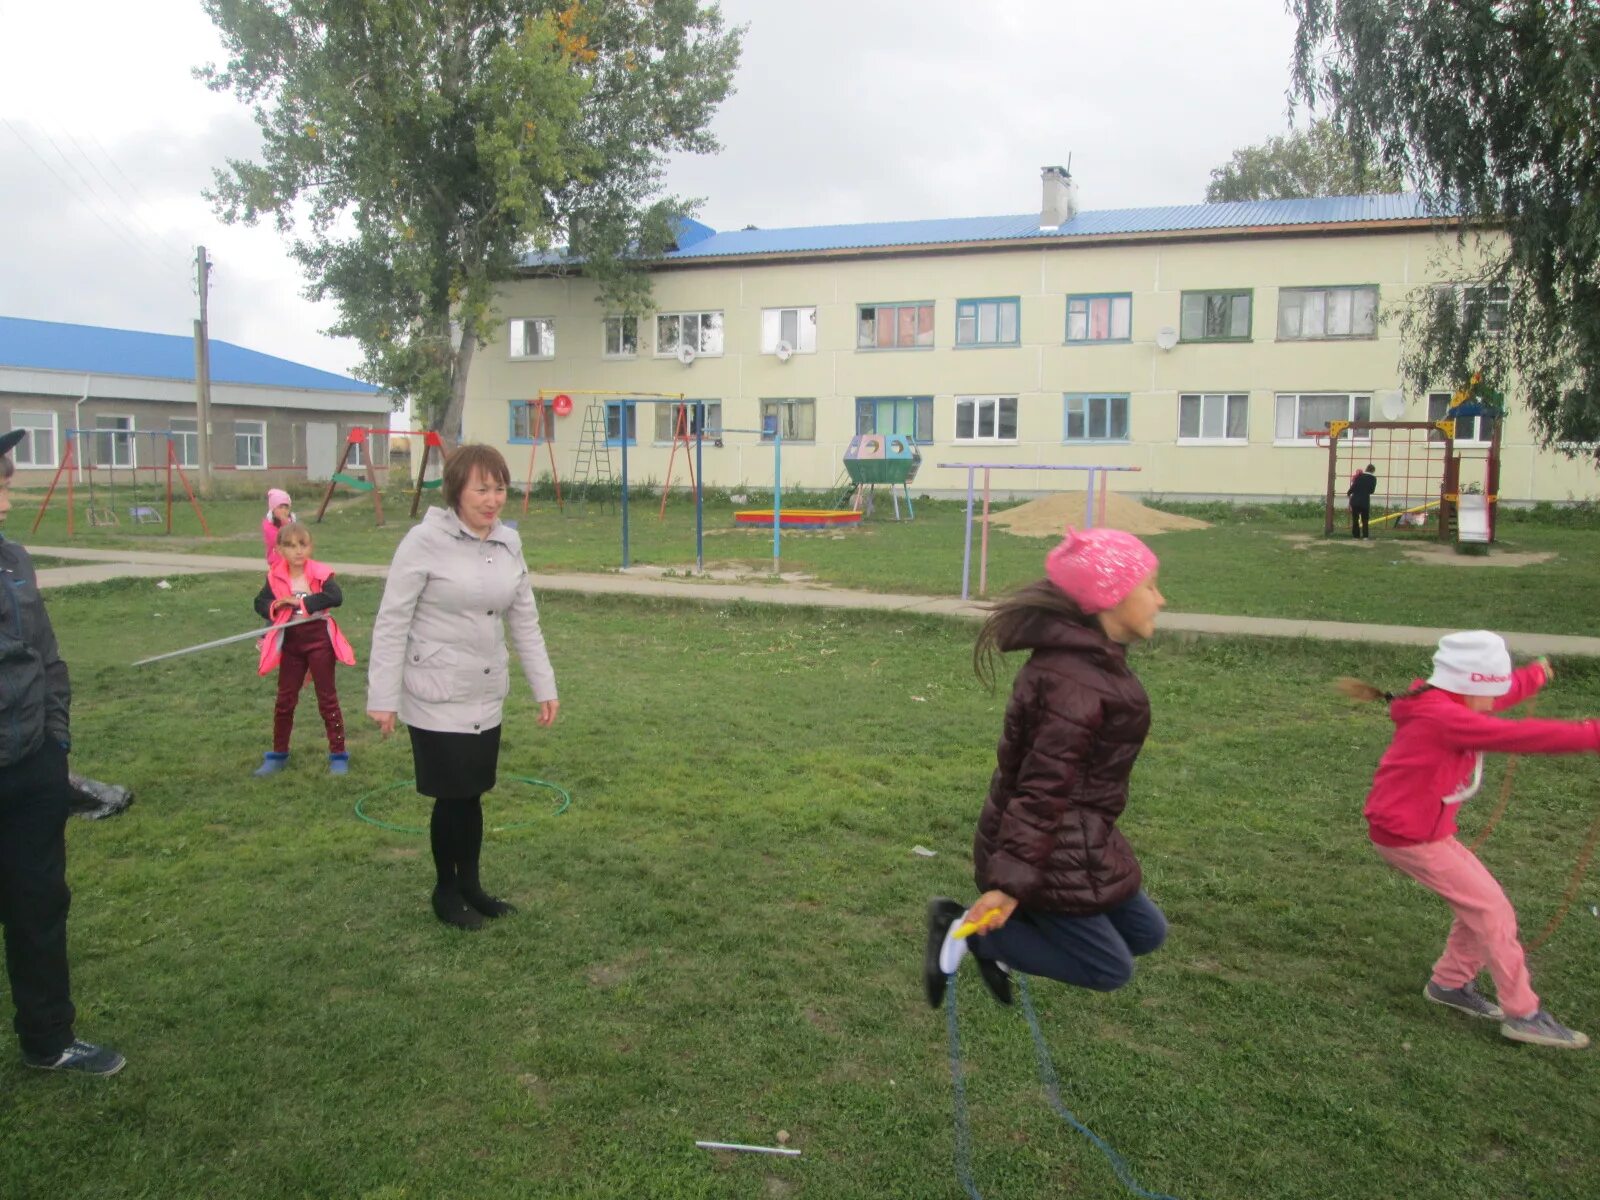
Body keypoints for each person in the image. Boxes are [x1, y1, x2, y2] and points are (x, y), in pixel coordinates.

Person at [925, 527, 1169, 1010]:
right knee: (1109, 968)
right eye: (1150, 586)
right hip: (1052, 847)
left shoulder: (1091, 663)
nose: (1160, 600)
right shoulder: (1072, 682)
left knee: (1147, 932)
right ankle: (970, 935)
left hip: (1084, 835)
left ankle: (1011, 935)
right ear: (1110, 598)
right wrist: (1009, 884)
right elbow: (1039, 790)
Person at [1341, 631, 1600, 1049]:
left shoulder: (1441, 699)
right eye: (1490, 691)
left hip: (1424, 833)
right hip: (1411, 839)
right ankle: (1524, 1014)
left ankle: (1449, 984)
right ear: (1468, 686)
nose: (1495, 700)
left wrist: (1533, 676)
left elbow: (1495, 696)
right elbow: (1524, 737)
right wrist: (1592, 734)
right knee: (1494, 912)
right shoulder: (1447, 719)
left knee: (1480, 907)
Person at [366, 445, 559, 931]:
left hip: (484, 690)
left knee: (473, 792)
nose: (492, 500)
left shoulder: (508, 543)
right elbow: (392, 621)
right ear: (456, 489)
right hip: (435, 692)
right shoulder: (422, 541)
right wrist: (383, 699)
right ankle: (445, 890)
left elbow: (525, 620)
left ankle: (472, 884)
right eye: (482, 489)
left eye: (499, 489)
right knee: (451, 796)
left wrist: (545, 686)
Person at [0, 428, 124, 1075]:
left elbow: (48, 658)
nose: (5, 501)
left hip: (31, 770)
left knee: (38, 906)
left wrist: (57, 743)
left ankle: (48, 1040)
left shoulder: (15, 561)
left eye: (8, 483)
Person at [253, 522, 355, 777]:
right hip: (291, 643)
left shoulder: (321, 573)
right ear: (278, 549)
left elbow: (335, 597)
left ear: (311, 547)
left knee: (327, 698)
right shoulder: (275, 575)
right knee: (285, 699)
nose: (298, 551)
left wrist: (300, 601)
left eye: (303, 544)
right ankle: (278, 754)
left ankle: (338, 754)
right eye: (290, 546)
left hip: (319, 640)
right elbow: (260, 602)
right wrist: (276, 606)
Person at [262, 487, 295, 563]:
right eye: (280, 507)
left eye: (286, 508)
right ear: (273, 509)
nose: (283, 511)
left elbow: (296, 537)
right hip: (275, 561)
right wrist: (285, 524)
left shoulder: (291, 521)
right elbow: (277, 540)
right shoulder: (268, 523)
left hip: (290, 559)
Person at [1347, 463, 1378, 539]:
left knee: (1355, 519)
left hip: (1355, 501)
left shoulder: (1359, 476)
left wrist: (1349, 493)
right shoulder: (1373, 479)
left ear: (1366, 469)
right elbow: (1372, 491)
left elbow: (1353, 487)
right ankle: (1365, 536)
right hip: (1365, 501)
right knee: (1365, 520)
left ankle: (1356, 536)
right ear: (1373, 471)